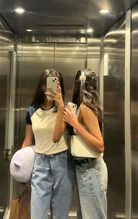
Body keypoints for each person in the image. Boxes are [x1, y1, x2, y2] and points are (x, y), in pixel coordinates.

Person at [22, 68, 74, 219]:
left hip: (62, 163)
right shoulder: (32, 111)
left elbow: (56, 136)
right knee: (37, 214)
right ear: (42, 86)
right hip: (40, 163)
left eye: (57, 85)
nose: (52, 88)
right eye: (49, 84)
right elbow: (27, 140)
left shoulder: (65, 110)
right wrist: (21, 166)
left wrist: (60, 106)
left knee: (60, 215)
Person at [63, 69, 108, 219]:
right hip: (87, 169)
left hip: (91, 170)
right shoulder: (82, 106)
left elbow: (100, 145)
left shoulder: (86, 108)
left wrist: (75, 124)